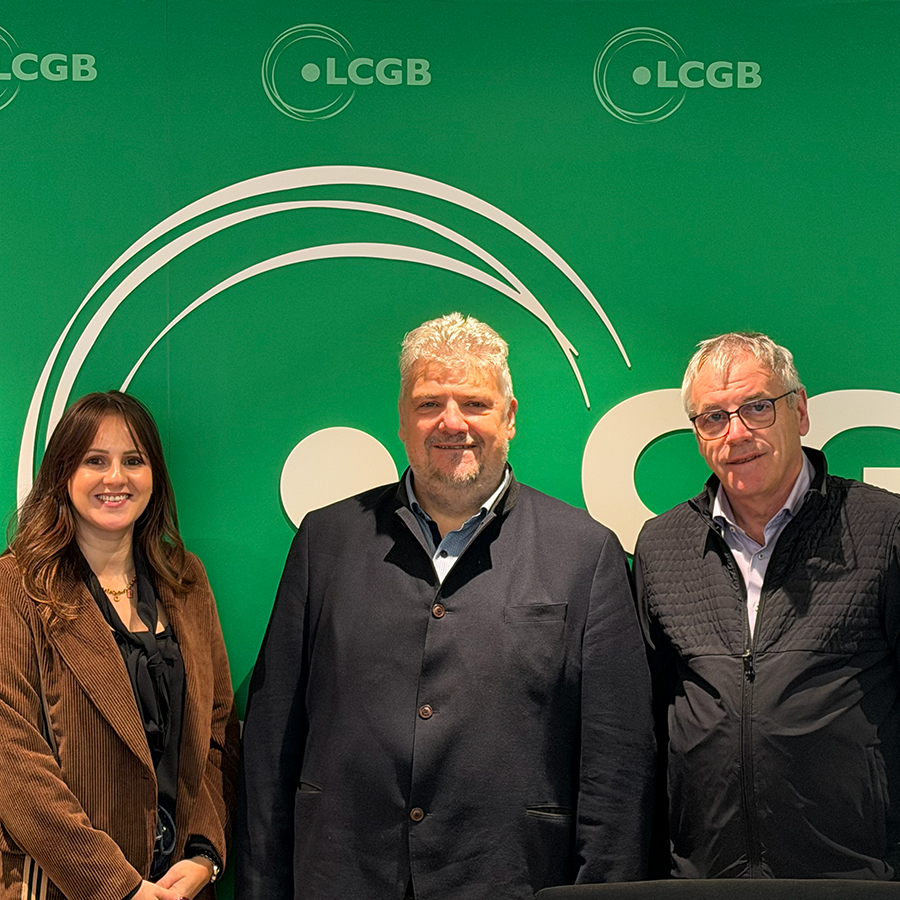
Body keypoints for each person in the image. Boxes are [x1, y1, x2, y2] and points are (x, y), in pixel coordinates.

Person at [236, 312, 654, 900]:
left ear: (510, 417)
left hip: (512, 880)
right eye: (430, 403)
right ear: (402, 419)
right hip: (342, 876)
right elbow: (271, 742)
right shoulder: (324, 542)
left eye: (475, 404)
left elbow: (618, 766)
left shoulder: (585, 553)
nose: (452, 422)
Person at [634, 331, 900, 880]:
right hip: (706, 877)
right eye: (714, 417)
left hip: (854, 878)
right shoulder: (662, 545)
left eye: (757, 407)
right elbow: (645, 724)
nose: (737, 433)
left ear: (799, 410)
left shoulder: (884, 528)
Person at [0, 391, 240, 900]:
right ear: (63, 473)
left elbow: (217, 731)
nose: (116, 478)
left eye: (133, 460)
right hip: (66, 886)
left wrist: (204, 853)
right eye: (95, 460)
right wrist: (117, 886)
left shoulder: (185, 579)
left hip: (177, 886)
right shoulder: (16, 586)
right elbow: (12, 761)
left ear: (154, 476)